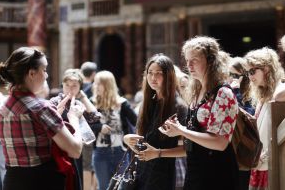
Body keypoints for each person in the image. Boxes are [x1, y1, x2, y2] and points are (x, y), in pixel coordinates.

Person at [0, 47, 83, 190]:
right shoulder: (41, 108)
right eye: (45, 70)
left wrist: (54, 116)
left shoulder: (1, 108)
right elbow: (75, 150)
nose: (46, 75)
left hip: (12, 181)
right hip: (41, 182)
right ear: (32, 73)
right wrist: (74, 119)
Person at [159, 36, 240, 190]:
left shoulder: (223, 93)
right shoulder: (197, 92)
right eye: (187, 60)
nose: (188, 65)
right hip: (196, 170)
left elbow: (220, 142)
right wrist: (177, 131)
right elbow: (195, 137)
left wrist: (182, 130)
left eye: (194, 60)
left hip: (217, 172)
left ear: (210, 61)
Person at [124, 54, 188, 190]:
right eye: (150, 73)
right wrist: (127, 138)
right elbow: (141, 137)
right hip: (139, 171)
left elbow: (187, 149)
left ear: (168, 76)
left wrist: (158, 152)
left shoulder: (179, 107)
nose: (153, 78)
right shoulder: (147, 103)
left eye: (158, 73)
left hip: (162, 175)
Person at [50, 69, 100, 190]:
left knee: (76, 181)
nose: (70, 88)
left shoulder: (79, 104)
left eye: (74, 86)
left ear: (80, 87)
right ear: (62, 85)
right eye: (67, 85)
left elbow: (96, 117)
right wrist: (58, 109)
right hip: (59, 149)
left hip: (77, 148)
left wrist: (82, 97)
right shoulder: (55, 101)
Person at [244, 47, 285, 190]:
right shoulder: (262, 95)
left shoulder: (283, 93)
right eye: (247, 72)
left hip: (274, 165)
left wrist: (265, 156)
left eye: (252, 71)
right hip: (260, 164)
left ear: (267, 69)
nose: (250, 77)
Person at [90, 70, 137, 190]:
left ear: (107, 85)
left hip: (120, 152)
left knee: (123, 187)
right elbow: (86, 126)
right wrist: (100, 127)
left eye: (98, 83)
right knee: (104, 187)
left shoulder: (122, 103)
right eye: (94, 83)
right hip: (100, 153)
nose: (94, 86)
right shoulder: (91, 103)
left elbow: (137, 122)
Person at [228, 57, 255, 190]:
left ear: (244, 76)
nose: (230, 78)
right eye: (228, 74)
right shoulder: (224, 90)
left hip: (243, 148)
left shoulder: (250, 94)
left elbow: (247, 117)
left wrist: (236, 92)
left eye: (234, 75)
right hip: (227, 147)